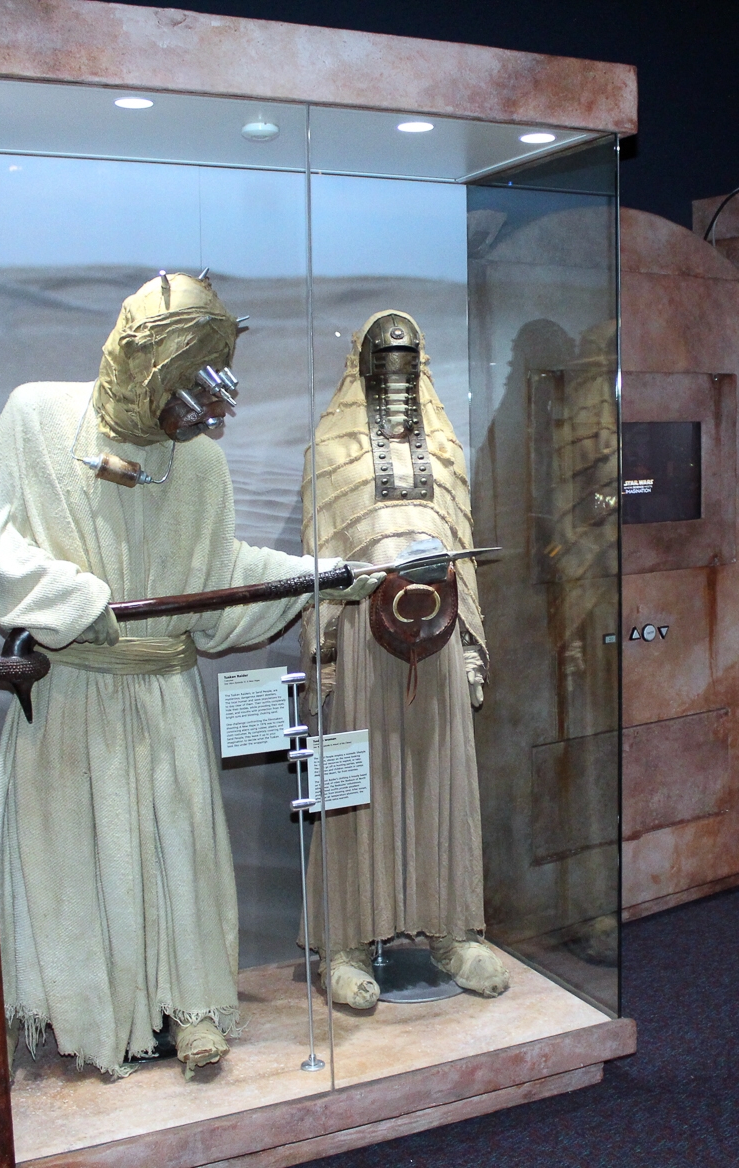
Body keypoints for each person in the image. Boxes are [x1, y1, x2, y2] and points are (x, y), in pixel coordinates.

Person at [0, 272, 378, 1077]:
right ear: (138, 361)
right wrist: (79, 601)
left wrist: (320, 577)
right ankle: (88, 1015)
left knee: (176, 854)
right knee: (76, 862)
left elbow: (222, 578)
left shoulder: (198, 463)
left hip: (163, 692)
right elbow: (0, 542)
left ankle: (188, 1005)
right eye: (180, 385)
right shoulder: (36, 417)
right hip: (74, 693)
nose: (192, 412)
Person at [300, 310, 509, 1008]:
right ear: (361, 365)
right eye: (384, 361)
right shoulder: (330, 447)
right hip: (363, 638)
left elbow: (461, 543)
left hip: (439, 637)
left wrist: (472, 650)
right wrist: (325, 656)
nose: (396, 374)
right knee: (356, 783)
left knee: (442, 780)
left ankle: (454, 932)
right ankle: (346, 944)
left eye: (407, 360)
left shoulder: (444, 448)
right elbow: (319, 550)